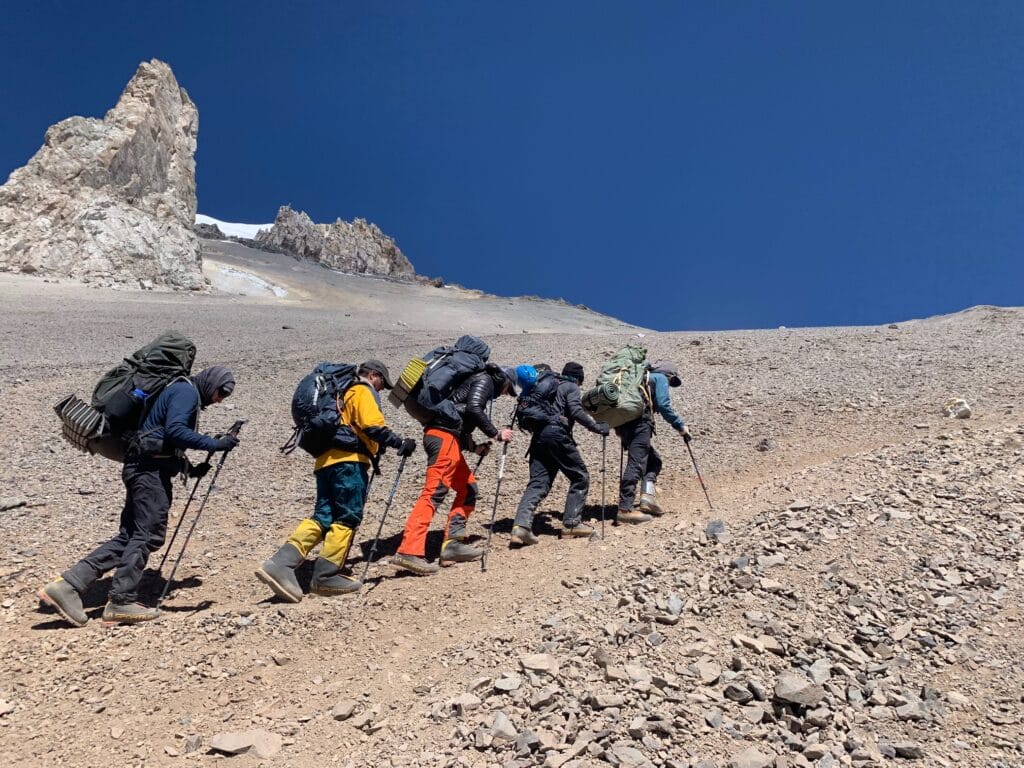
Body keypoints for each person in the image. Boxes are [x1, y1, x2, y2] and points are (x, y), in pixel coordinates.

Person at [39, 366, 239, 626]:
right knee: (148, 535)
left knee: (130, 536)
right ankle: (121, 601)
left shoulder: (179, 390)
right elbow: (175, 431)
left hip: (142, 468)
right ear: (210, 382)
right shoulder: (185, 393)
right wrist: (215, 444)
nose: (220, 400)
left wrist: (189, 469)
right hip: (148, 474)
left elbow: (159, 438)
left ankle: (68, 586)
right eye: (220, 392)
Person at [255, 360, 415, 601]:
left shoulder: (340, 394)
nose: (381, 389)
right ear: (373, 376)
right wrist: (399, 443)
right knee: (347, 516)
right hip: (349, 463)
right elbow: (372, 426)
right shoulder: (361, 390)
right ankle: (326, 577)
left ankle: (280, 563)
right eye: (382, 382)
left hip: (325, 461)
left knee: (323, 515)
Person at [391, 364, 517, 575]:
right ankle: (409, 550)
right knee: (434, 492)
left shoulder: (476, 382)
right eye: (508, 389)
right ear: (503, 380)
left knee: (468, 489)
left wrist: (475, 448)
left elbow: (460, 421)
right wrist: (497, 434)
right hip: (444, 438)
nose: (505, 394)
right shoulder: (485, 380)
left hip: (448, 439)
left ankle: (452, 544)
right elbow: (473, 409)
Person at [511, 362, 610, 545]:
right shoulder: (570, 386)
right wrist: (596, 427)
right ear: (579, 378)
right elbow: (575, 410)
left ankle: (521, 527)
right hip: (557, 435)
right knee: (580, 476)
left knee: (538, 483)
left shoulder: (547, 385)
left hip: (538, 438)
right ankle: (571, 524)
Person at [615, 361, 691, 523]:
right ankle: (625, 509)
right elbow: (663, 405)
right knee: (637, 463)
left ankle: (647, 498)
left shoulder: (640, 379)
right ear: (669, 375)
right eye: (671, 381)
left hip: (623, 425)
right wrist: (680, 426)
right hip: (640, 423)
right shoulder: (660, 377)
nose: (669, 384)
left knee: (653, 461)